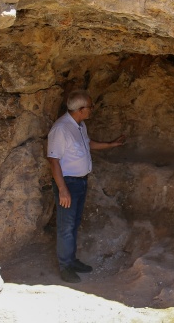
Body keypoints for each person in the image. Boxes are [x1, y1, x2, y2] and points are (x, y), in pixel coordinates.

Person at [47, 90, 126, 283]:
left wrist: (110, 145)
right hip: (69, 183)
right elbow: (53, 160)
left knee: (74, 224)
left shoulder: (79, 126)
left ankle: (71, 261)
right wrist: (63, 189)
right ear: (81, 109)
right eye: (90, 106)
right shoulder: (61, 129)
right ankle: (65, 267)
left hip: (81, 181)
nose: (92, 109)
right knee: (66, 226)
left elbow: (87, 145)